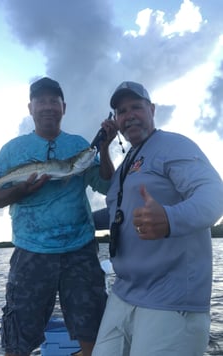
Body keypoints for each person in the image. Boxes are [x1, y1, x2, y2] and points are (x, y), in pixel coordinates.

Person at [0, 77, 117, 356]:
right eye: (40, 101)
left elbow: (107, 184)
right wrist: (20, 190)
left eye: (53, 101)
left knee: (93, 328)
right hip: (31, 251)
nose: (47, 107)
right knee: (18, 337)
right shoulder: (12, 150)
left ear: (63, 107)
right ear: (30, 108)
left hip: (80, 250)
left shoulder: (79, 145)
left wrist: (104, 148)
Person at [92, 81, 223, 356]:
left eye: (136, 107)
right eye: (121, 111)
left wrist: (170, 218)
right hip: (124, 292)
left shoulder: (173, 145)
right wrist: (80, 220)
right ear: (115, 120)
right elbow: (120, 212)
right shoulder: (129, 161)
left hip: (171, 299)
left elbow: (214, 195)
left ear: (151, 109)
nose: (129, 116)